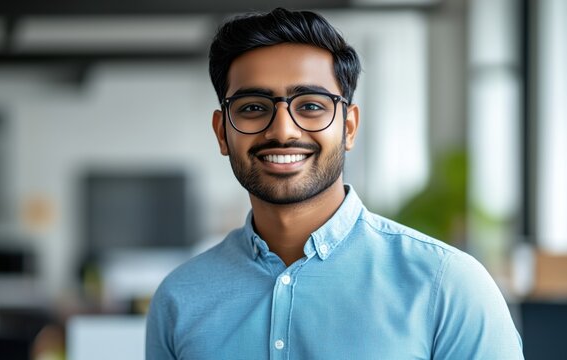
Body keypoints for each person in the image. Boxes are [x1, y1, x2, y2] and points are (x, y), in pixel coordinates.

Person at [146, 7, 524, 359]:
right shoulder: (180, 298)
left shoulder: (448, 286)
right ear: (222, 132)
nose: (282, 130)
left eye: (310, 105)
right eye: (253, 108)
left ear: (349, 126)